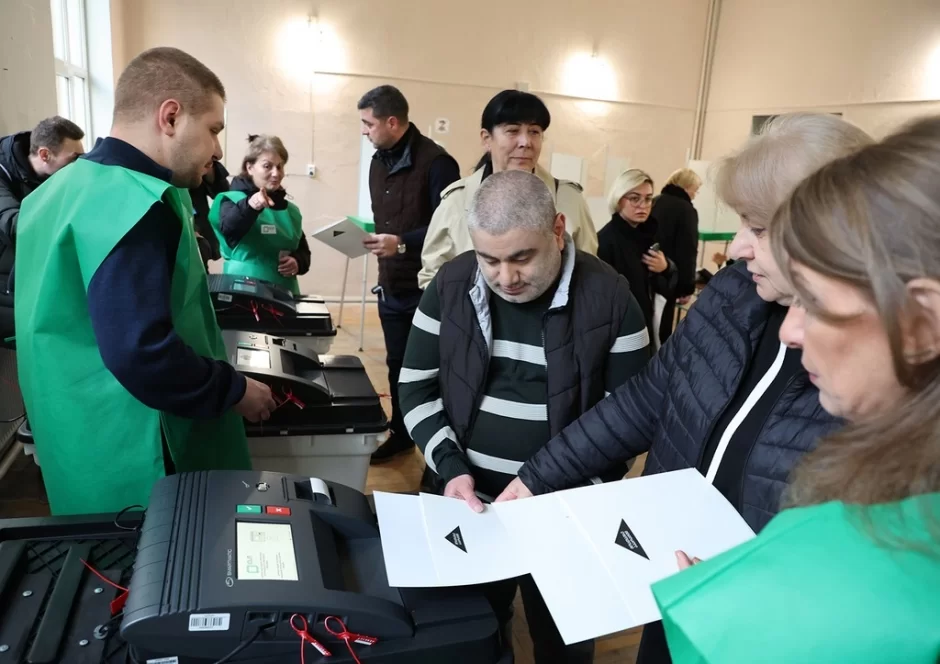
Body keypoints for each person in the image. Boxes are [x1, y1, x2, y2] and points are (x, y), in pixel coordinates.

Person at [494, 114, 874, 663]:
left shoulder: (874, 369)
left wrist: (751, 608)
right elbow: (650, 398)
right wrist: (537, 476)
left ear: (830, 231)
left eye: (759, 230)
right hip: (675, 578)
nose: (739, 248)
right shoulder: (735, 292)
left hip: (759, 630)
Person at [653, 114, 940, 663]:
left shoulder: (886, 541)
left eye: (817, 301)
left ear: (922, 320)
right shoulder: (870, 486)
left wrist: (732, 629)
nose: (790, 330)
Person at [14, 47, 276, 516]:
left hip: (76, 442)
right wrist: (234, 390)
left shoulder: (54, 193)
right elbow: (142, 352)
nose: (218, 150)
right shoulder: (136, 204)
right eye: (214, 129)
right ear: (171, 116)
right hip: (138, 456)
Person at [400, 170, 650, 663]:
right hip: (468, 508)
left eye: (522, 257)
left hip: (567, 513)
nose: (506, 278)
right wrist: (451, 470)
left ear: (559, 230)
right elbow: (415, 389)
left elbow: (631, 419)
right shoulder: (451, 286)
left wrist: (565, 493)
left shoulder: (612, 298)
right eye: (489, 259)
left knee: (565, 643)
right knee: (473, 638)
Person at [357, 85, 461, 463]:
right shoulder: (376, 162)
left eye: (368, 123)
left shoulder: (438, 163)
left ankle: (442, 453)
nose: (364, 131)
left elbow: (447, 227)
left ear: (392, 121)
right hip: (391, 284)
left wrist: (400, 242)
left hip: (427, 287)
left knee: (436, 370)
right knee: (397, 364)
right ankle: (401, 432)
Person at [418, 90, 598, 289]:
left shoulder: (568, 199)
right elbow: (433, 278)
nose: (526, 142)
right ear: (487, 138)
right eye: (513, 131)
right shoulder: (457, 201)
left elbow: (589, 275)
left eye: (534, 132)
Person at [0, 116, 85, 340]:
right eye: (74, 159)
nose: (78, 168)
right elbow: (14, 226)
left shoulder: (51, 171)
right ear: (45, 155)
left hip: (31, 270)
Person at [208, 134, 310, 293]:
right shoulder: (231, 200)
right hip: (243, 292)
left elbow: (303, 250)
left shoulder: (291, 211)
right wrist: (251, 206)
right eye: (267, 166)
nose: (276, 173)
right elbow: (229, 229)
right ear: (250, 168)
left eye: (280, 166)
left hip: (284, 292)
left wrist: (298, 261)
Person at [598, 169, 677, 340]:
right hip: (623, 331)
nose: (643, 205)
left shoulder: (649, 233)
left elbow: (668, 280)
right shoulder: (605, 241)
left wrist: (666, 267)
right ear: (619, 199)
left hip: (650, 322)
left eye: (648, 199)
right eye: (635, 198)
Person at [652, 168, 701, 345]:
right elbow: (688, 250)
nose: (695, 195)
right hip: (669, 277)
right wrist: (686, 287)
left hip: (648, 275)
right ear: (687, 187)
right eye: (695, 189)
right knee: (663, 329)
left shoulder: (655, 202)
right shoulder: (686, 210)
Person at [190, 157, 229, 270]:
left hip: (204, 244)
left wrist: (209, 161)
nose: (219, 153)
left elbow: (222, 194)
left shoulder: (202, 163)